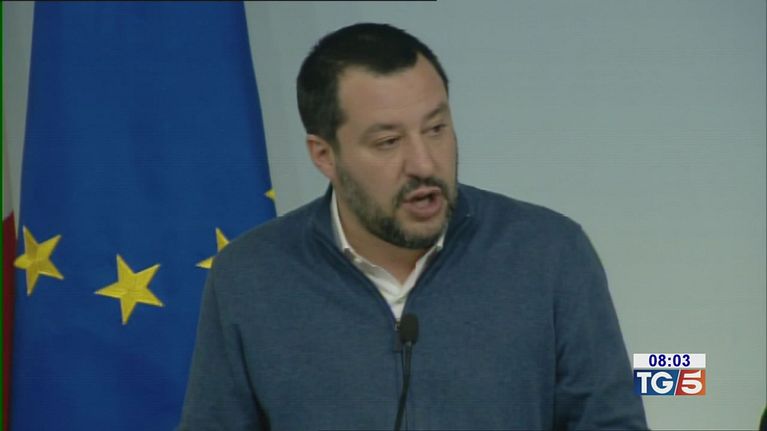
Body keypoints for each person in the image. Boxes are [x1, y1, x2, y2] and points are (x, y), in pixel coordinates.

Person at [178, 23, 647, 430]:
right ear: (325, 155)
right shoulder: (250, 275)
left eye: (436, 129)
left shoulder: (549, 253)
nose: (424, 163)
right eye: (388, 141)